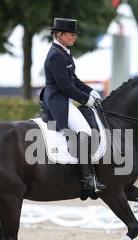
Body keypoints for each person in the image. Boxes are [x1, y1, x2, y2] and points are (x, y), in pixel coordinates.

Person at [43, 17, 106, 194]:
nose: (74, 38)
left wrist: (90, 91)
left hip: (66, 97)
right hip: (58, 99)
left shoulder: (64, 52)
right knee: (85, 131)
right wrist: (86, 99)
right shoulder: (55, 55)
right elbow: (65, 87)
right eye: (71, 34)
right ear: (60, 34)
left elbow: (74, 80)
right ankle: (88, 179)